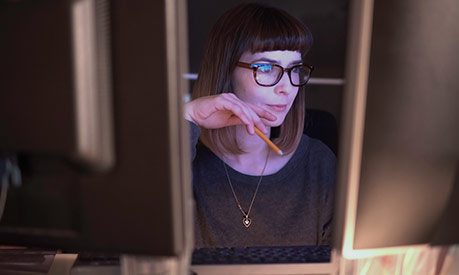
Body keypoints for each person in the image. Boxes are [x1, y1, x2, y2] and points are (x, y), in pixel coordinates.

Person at [185, 3, 335, 248]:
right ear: (225, 72)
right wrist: (188, 116)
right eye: (266, 68)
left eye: (294, 69)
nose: (287, 87)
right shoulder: (185, 164)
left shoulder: (320, 164)